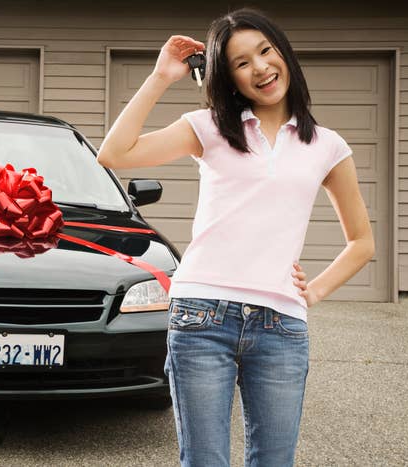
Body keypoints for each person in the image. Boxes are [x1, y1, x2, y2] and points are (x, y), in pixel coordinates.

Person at [97, 7, 375, 467]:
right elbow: (114, 152)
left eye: (266, 51)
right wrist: (161, 77)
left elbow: (362, 241)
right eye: (242, 63)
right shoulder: (208, 128)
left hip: (282, 326)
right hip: (201, 317)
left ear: (284, 53)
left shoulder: (328, 145)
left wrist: (315, 290)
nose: (261, 68)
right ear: (228, 78)